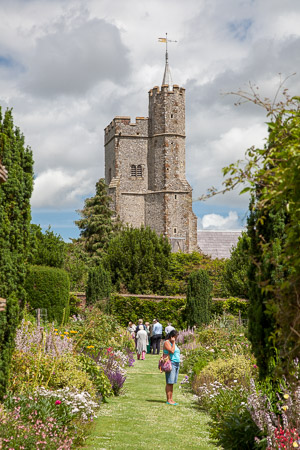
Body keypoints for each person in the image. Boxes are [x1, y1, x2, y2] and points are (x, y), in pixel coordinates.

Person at [163, 329, 180, 405]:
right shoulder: (167, 342)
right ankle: (168, 399)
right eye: (176, 337)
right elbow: (172, 351)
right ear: (172, 336)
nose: (176, 338)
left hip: (176, 363)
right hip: (171, 363)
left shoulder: (173, 343)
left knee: (172, 382)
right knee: (169, 382)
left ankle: (171, 399)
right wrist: (173, 342)